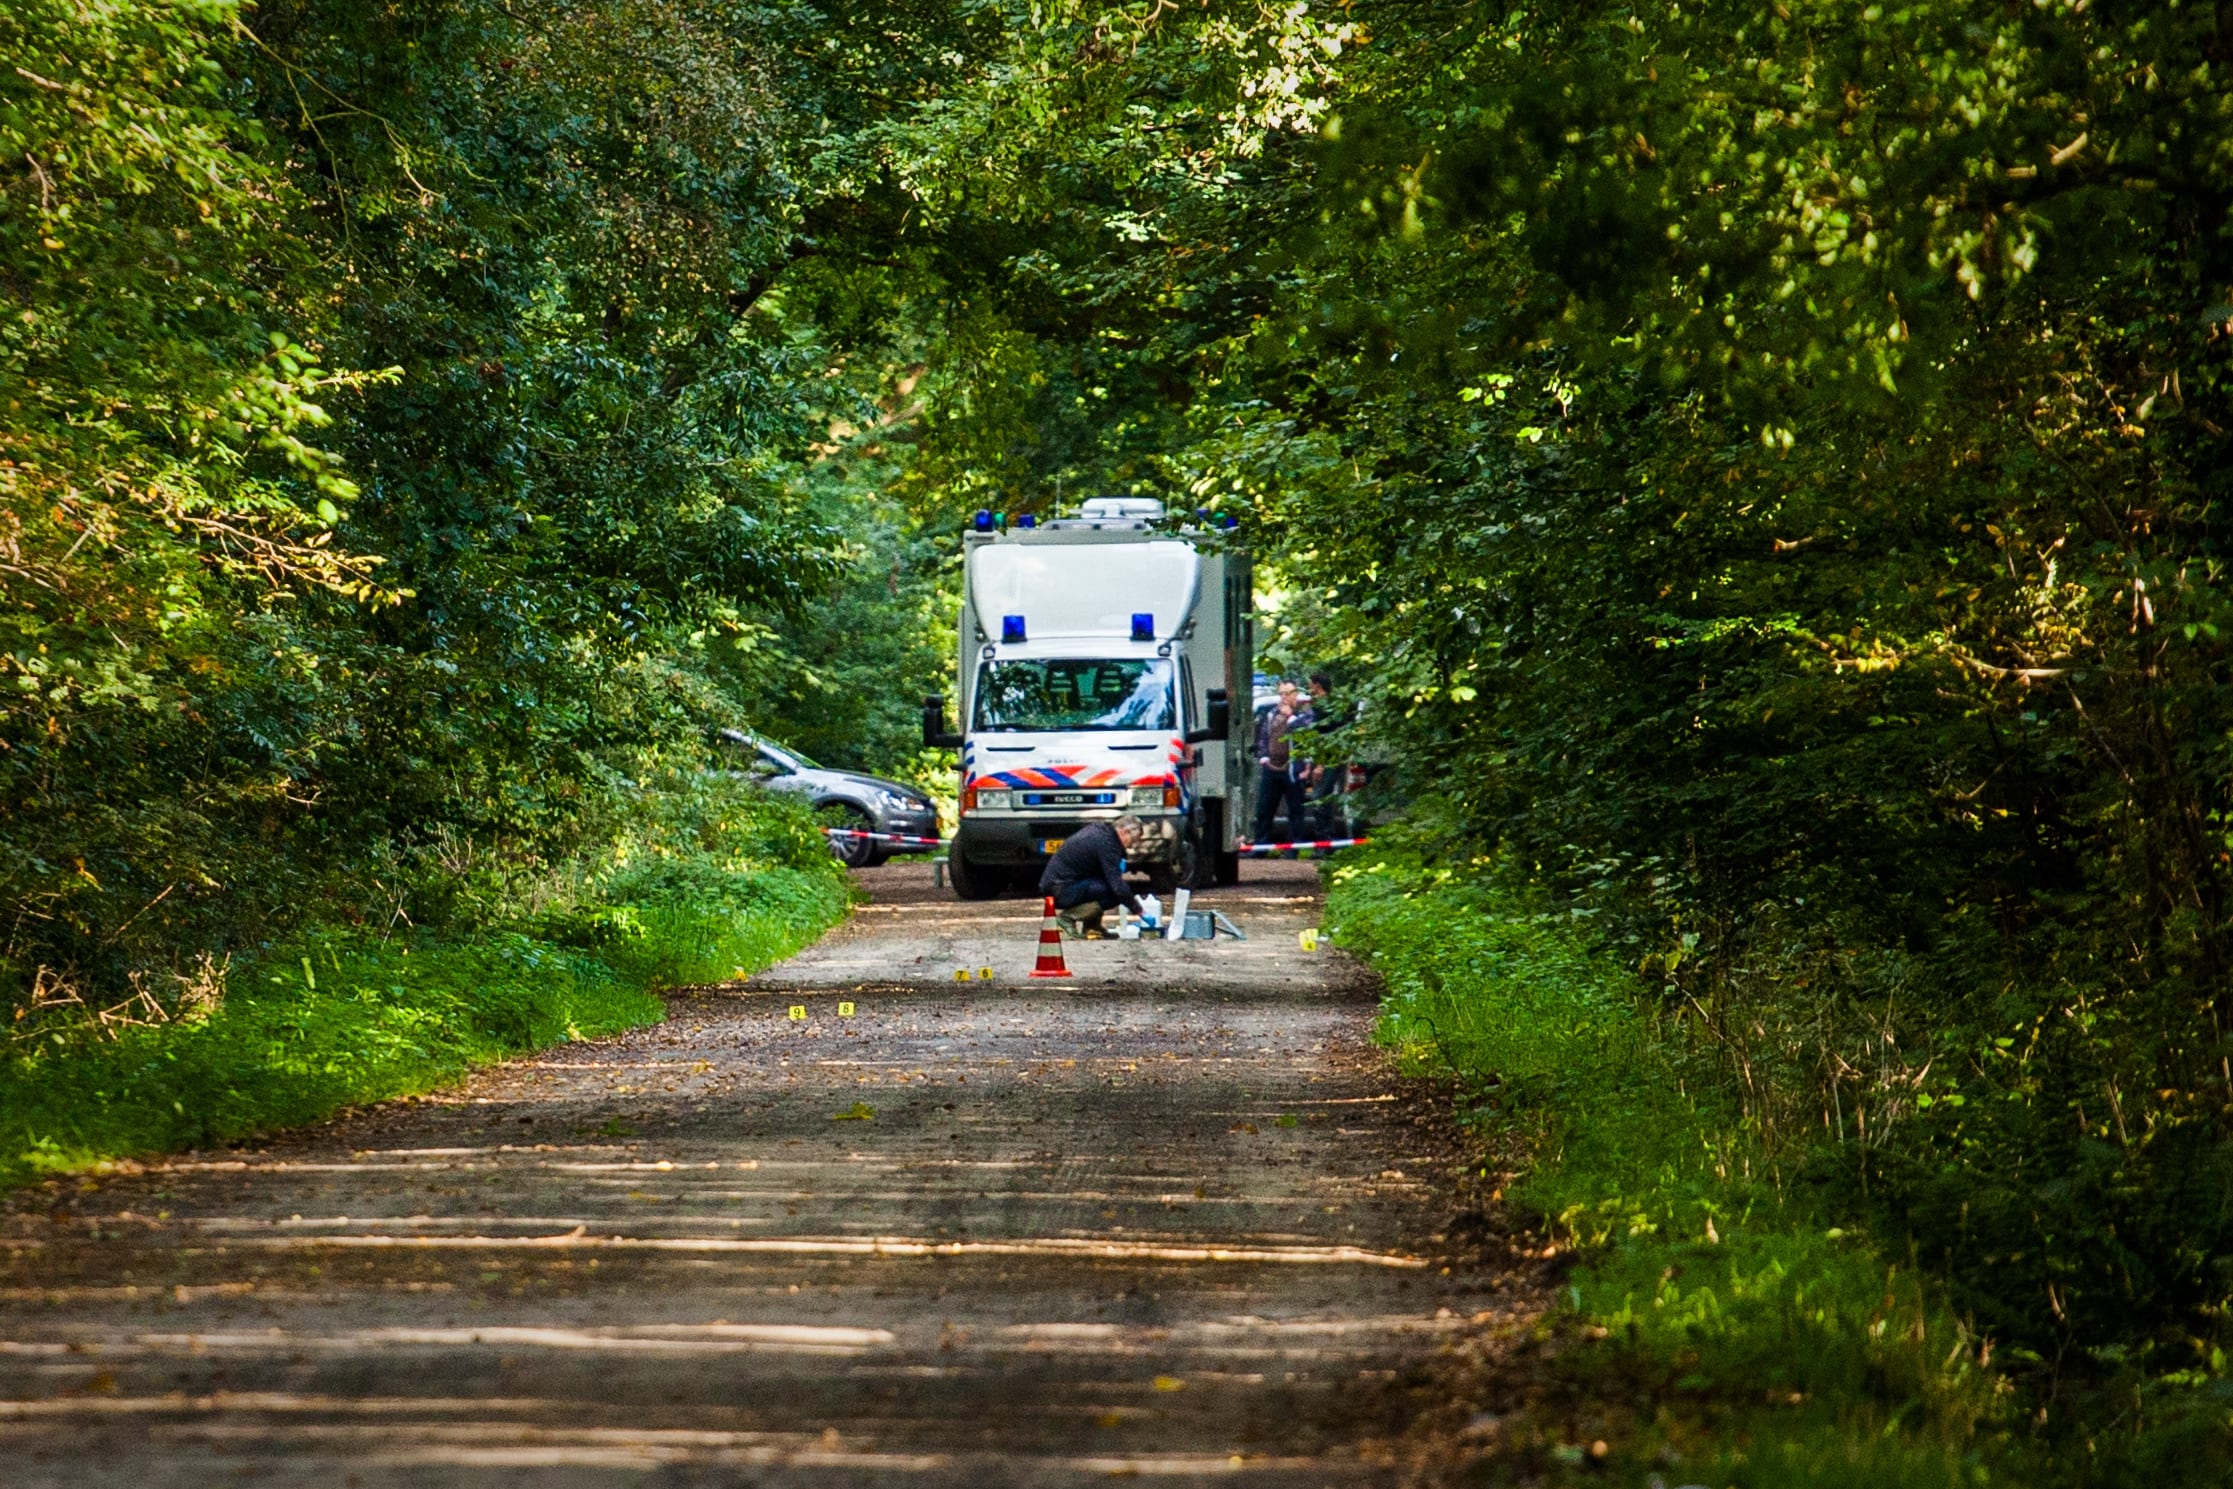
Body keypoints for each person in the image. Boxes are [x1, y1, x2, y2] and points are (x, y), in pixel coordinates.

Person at [1040, 815, 1147, 937]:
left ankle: (1092, 926)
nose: (1132, 845)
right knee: (1113, 893)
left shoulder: (1102, 833)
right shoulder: (1107, 844)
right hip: (1060, 889)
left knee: (1103, 885)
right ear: (1125, 832)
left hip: (1057, 884)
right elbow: (1117, 885)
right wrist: (1140, 911)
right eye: (1133, 840)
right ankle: (1067, 918)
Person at [1251, 680, 1309, 844]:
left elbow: (1305, 735)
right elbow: (1263, 736)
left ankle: (1294, 846)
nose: (1283, 697)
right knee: (1264, 808)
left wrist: (1290, 716)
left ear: (1295, 694)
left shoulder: (1303, 713)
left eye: (1287, 693)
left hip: (1293, 769)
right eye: (1281, 693)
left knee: (1296, 809)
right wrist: (1264, 757)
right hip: (1272, 768)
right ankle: (1261, 844)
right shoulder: (1271, 714)